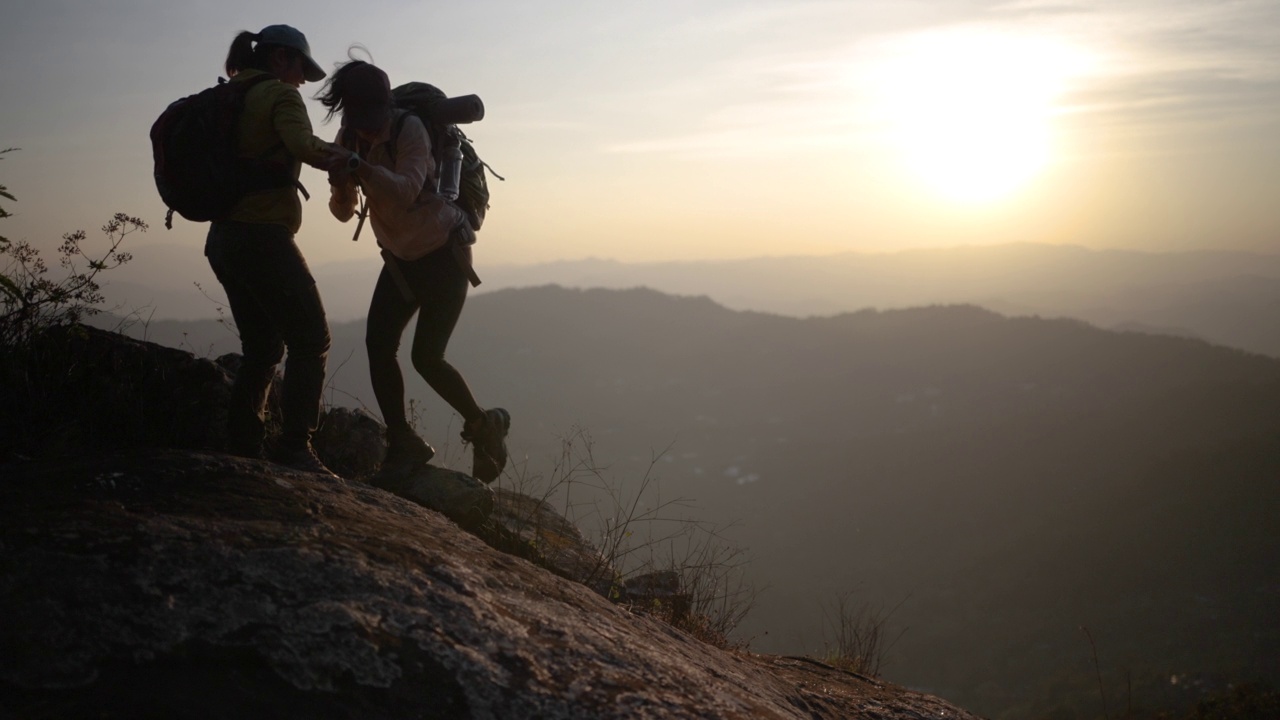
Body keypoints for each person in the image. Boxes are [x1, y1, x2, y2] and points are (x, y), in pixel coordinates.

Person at [317, 60, 509, 483]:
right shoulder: (351, 136)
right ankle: (404, 441)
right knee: (378, 345)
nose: (364, 130)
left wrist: (357, 166)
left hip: (444, 255)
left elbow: (406, 190)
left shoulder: (410, 130)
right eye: (356, 121)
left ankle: (483, 424)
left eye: (368, 120)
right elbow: (343, 214)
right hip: (401, 258)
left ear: (383, 107)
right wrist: (340, 185)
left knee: (426, 356)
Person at [204, 26, 348, 476]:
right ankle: (294, 447)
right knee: (312, 338)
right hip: (263, 236)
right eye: (301, 68)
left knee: (263, 346)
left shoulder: (230, 95)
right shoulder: (280, 96)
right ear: (282, 59)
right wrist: (353, 163)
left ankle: (244, 445)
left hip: (223, 239)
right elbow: (304, 146)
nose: (303, 80)